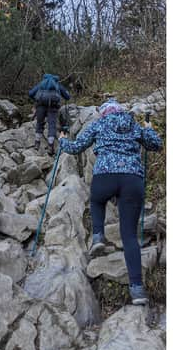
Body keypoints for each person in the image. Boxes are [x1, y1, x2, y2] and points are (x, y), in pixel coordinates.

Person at [58, 99, 162, 305]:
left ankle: (98, 236)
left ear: (103, 112)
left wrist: (62, 140)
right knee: (130, 236)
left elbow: (76, 147)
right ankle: (138, 290)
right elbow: (156, 145)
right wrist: (149, 129)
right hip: (132, 179)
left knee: (96, 200)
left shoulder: (98, 124)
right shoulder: (134, 124)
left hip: (105, 175)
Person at [28, 73, 71, 155]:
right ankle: (50, 146)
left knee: (39, 123)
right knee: (52, 125)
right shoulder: (57, 85)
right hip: (53, 107)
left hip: (40, 105)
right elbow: (67, 96)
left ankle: (37, 143)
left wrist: (36, 99)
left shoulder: (41, 84)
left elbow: (30, 93)